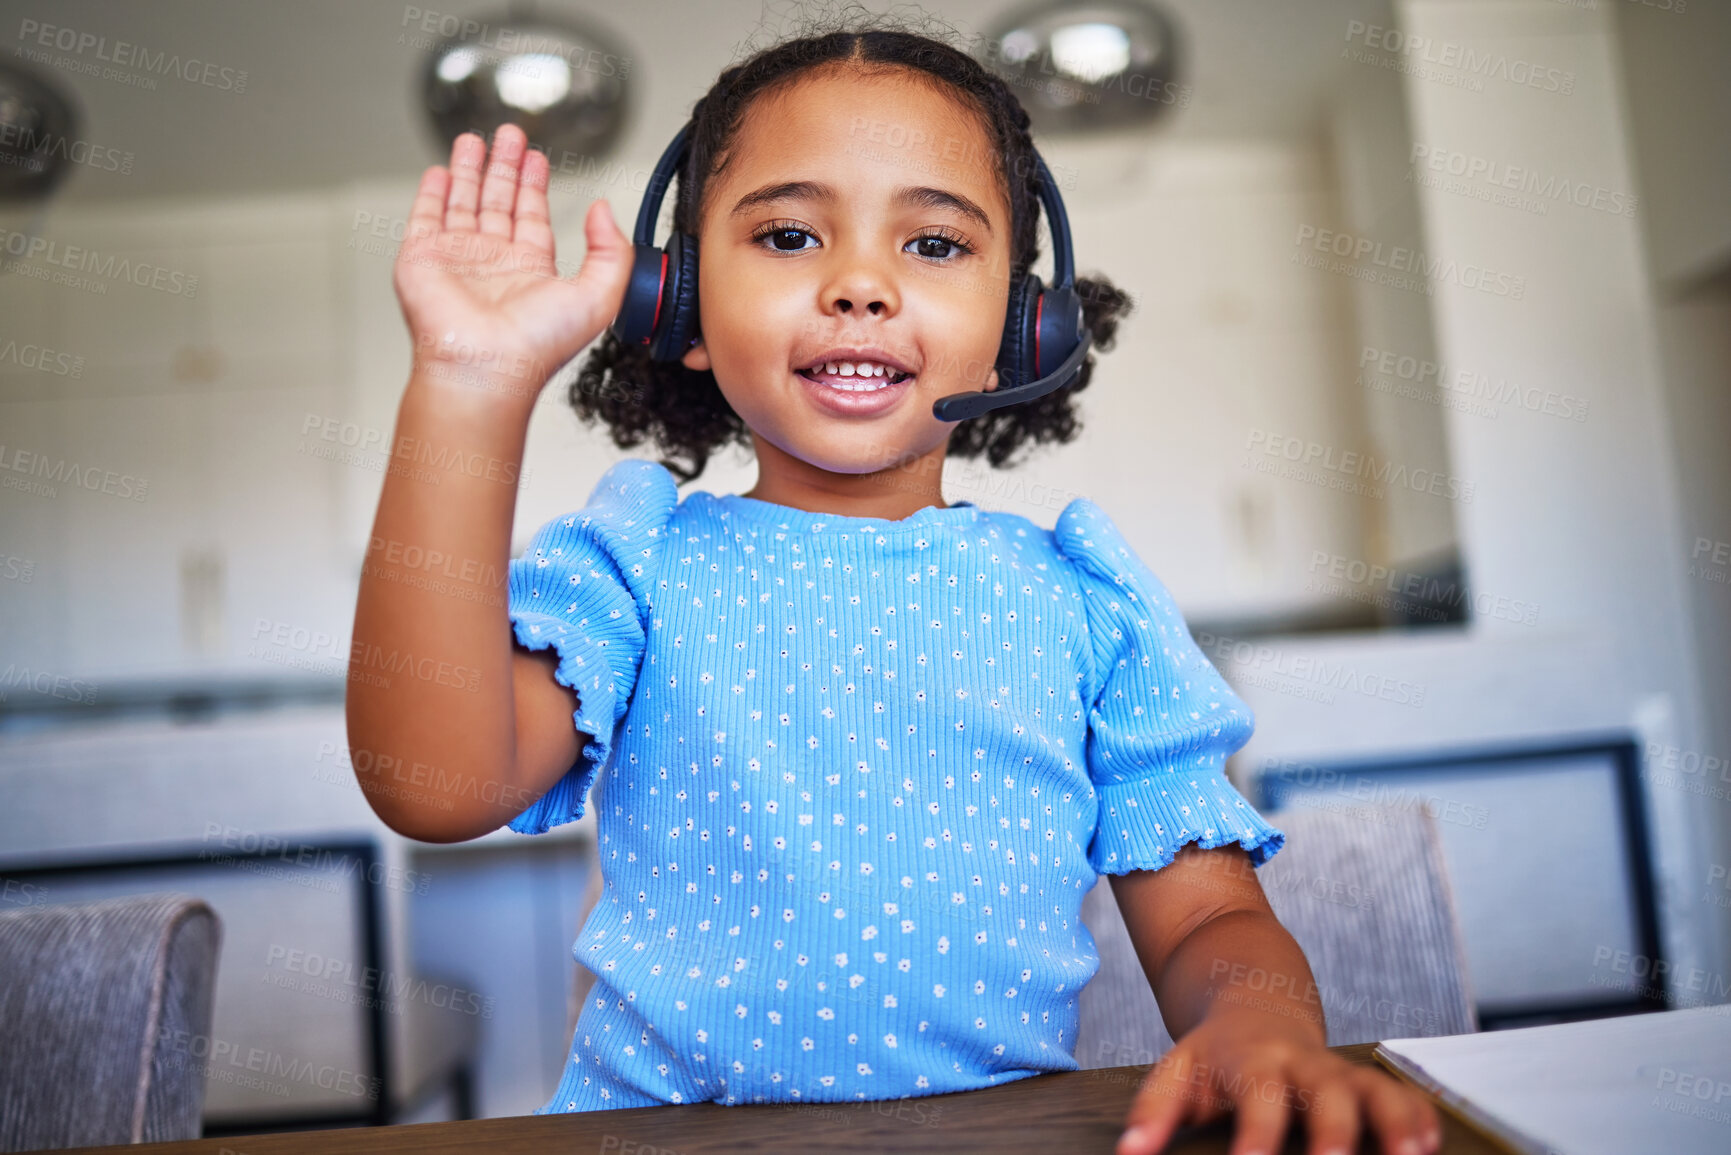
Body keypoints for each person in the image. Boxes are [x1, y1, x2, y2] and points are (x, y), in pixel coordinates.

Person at [346, 19, 1442, 1155]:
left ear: (1025, 326)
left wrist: (1263, 1026)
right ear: (679, 309)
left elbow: (1208, 914)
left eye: (932, 245)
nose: (860, 283)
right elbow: (432, 785)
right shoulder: (638, 569)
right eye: (786, 234)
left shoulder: (1084, 605)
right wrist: (467, 389)